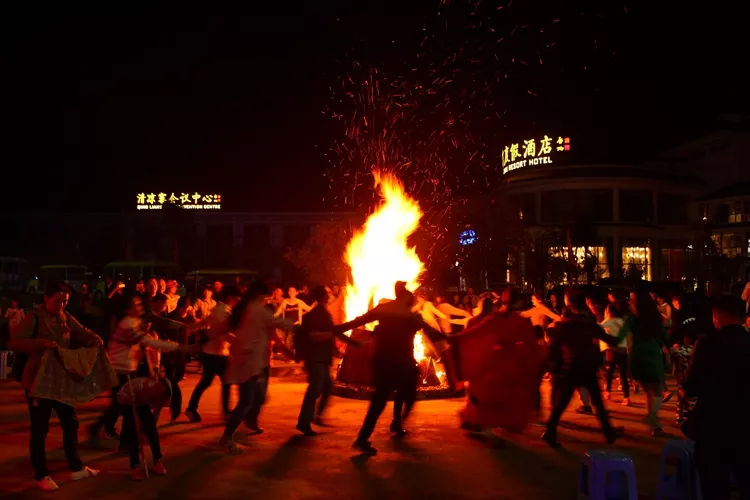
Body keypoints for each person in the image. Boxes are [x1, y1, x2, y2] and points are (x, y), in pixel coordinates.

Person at [9, 283, 107, 491]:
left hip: (61, 379)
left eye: (65, 301)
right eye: (58, 301)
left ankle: (76, 467)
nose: (61, 305)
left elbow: (82, 331)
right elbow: (15, 342)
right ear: (46, 298)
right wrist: (41, 344)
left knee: (70, 423)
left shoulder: (65, 317)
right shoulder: (34, 318)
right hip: (39, 381)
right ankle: (41, 474)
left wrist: (94, 338)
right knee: (40, 428)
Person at [336, 283, 448, 455]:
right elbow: (433, 334)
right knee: (406, 396)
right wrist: (453, 339)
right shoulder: (411, 317)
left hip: (384, 363)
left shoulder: (383, 310)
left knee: (381, 402)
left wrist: (352, 341)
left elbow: (349, 325)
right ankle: (395, 423)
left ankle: (371, 435)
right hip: (402, 363)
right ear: (408, 299)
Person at [108, 293, 191, 480]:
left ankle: (156, 459)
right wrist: (179, 347)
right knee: (133, 422)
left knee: (145, 421)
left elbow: (156, 332)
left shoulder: (137, 322)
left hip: (133, 374)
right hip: (123, 377)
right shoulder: (127, 325)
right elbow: (149, 341)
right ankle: (136, 464)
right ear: (127, 309)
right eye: (136, 304)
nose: (140, 306)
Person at [684, 295, 750, 500]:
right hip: (746, 430)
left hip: (713, 429)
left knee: (715, 489)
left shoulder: (707, 344)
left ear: (716, 316)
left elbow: (692, 386)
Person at [219, 281, 296, 454]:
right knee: (246, 401)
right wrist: (304, 327)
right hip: (250, 362)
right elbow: (282, 324)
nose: (268, 300)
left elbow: (222, 329)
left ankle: (234, 432)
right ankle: (227, 437)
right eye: (267, 297)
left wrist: (236, 343)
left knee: (251, 398)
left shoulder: (243, 309)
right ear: (260, 295)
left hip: (245, 361)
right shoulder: (257, 310)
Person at [542, 288, 622, 448]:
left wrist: (554, 366)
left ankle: (551, 430)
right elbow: (610, 340)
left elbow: (554, 346)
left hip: (573, 366)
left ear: (569, 304)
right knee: (596, 402)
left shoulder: (566, 324)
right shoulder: (588, 323)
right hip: (586, 366)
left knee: (563, 402)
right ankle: (608, 432)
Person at [295, 286, 362, 435]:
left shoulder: (323, 313)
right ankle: (304, 422)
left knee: (328, 386)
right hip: (315, 358)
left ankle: (317, 416)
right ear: (323, 296)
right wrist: (344, 339)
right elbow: (314, 335)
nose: (330, 295)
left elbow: (334, 331)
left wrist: (353, 342)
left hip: (322, 359)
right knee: (314, 390)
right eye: (327, 293)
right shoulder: (316, 314)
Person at [185, 286, 242, 423]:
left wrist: (190, 329)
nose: (238, 301)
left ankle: (192, 409)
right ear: (230, 297)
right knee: (225, 381)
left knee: (207, 382)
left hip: (214, 351)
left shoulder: (220, 309)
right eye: (237, 298)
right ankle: (226, 412)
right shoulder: (223, 312)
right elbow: (223, 332)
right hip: (216, 352)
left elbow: (205, 323)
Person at [627, 290, 669, 436]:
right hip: (651, 353)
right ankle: (653, 419)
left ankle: (654, 425)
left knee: (649, 391)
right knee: (655, 390)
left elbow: (627, 340)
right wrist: (669, 347)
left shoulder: (631, 318)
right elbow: (663, 335)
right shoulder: (654, 316)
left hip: (637, 353)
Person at [600, 303, 630, 405]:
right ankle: (626, 397)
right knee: (623, 374)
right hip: (622, 349)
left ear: (608, 312)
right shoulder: (621, 321)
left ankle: (607, 392)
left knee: (609, 372)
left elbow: (598, 329)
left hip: (611, 350)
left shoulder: (607, 321)